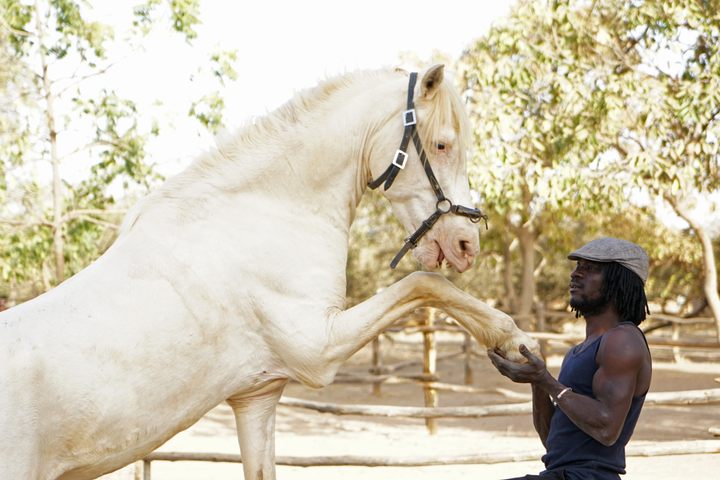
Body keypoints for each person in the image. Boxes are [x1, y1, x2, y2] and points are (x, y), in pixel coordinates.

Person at [488, 237, 652, 480]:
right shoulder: (577, 351)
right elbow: (552, 441)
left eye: (590, 269)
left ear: (620, 282)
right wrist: (537, 382)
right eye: (577, 267)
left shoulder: (622, 340)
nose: (575, 275)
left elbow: (607, 429)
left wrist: (546, 380)